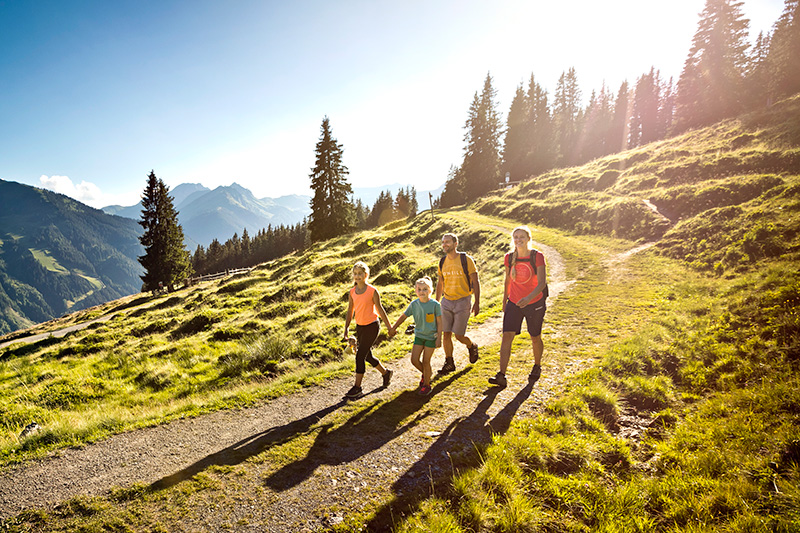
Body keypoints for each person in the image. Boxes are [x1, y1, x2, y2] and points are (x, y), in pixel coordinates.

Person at [489, 226, 548, 387]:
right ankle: (501, 375)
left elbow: (542, 283)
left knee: (535, 336)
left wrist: (529, 298)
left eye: (521, 237)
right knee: (507, 336)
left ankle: (537, 365)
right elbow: (507, 281)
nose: (518, 240)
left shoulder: (537, 256)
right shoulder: (509, 257)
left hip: (534, 303)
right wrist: (504, 301)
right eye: (515, 237)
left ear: (528, 238)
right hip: (514, 303)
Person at [342, 261, 395, 399]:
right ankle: (385, 373)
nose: (357, 276)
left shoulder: (372, 291)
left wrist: (389, 327)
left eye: (360, 273)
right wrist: (346, 328)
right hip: (360, 327)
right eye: (355, 274)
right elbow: (350, 311)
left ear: (366, 275)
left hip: (372, 326)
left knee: (360, 356)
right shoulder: (352, 292)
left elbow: (380, 310)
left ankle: (357, 387)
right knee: (367, 356)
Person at [435, 233, 480, 373]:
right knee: (446, 334)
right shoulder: (442, 261)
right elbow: (440, 283)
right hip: (446, 301)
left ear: (455, 244)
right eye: (443, 242)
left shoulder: (466, 259)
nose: (444, 244)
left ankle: (471, 345)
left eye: (447, 242)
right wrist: (436, 303)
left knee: (459, 336)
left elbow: (475, 281)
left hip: (463, 301)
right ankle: (449, 362)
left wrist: (477, 302)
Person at [391, 276, 442, 396]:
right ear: (416, 291)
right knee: (414, 360)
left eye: (425, 289)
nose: (422, 292)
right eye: (419, 289)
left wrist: (439, 338)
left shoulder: (435, 305)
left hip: (431, 337)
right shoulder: (414, 304)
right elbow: (403, 316)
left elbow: (440, 322)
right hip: (419, 336)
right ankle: (426, 374)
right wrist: (394, 327)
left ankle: (427, 385)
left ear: (430, 290)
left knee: (426, 361)